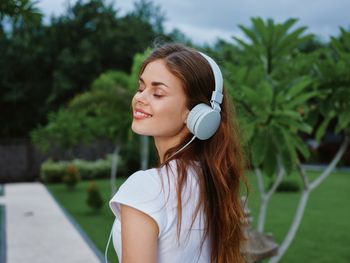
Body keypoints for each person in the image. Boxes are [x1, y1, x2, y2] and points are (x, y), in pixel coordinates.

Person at [109, 43, 247, 263]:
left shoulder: (147, 187)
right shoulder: (210, 179)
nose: (140, 98)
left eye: (158, 93)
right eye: (141, 87)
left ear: (196, 114)